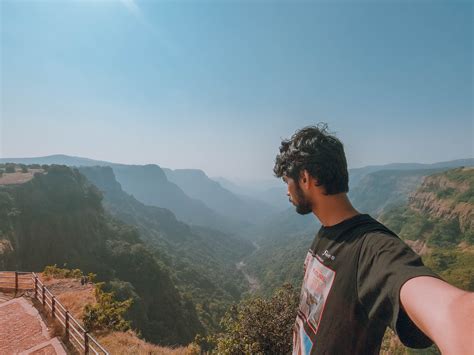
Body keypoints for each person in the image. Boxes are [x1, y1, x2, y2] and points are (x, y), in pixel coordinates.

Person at [273, 124, 473, 355]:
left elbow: (450, 308)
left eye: (287, 181)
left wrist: (461, 316)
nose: (287, 191)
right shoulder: (328, 233)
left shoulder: (373, 248)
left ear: (305, 178)